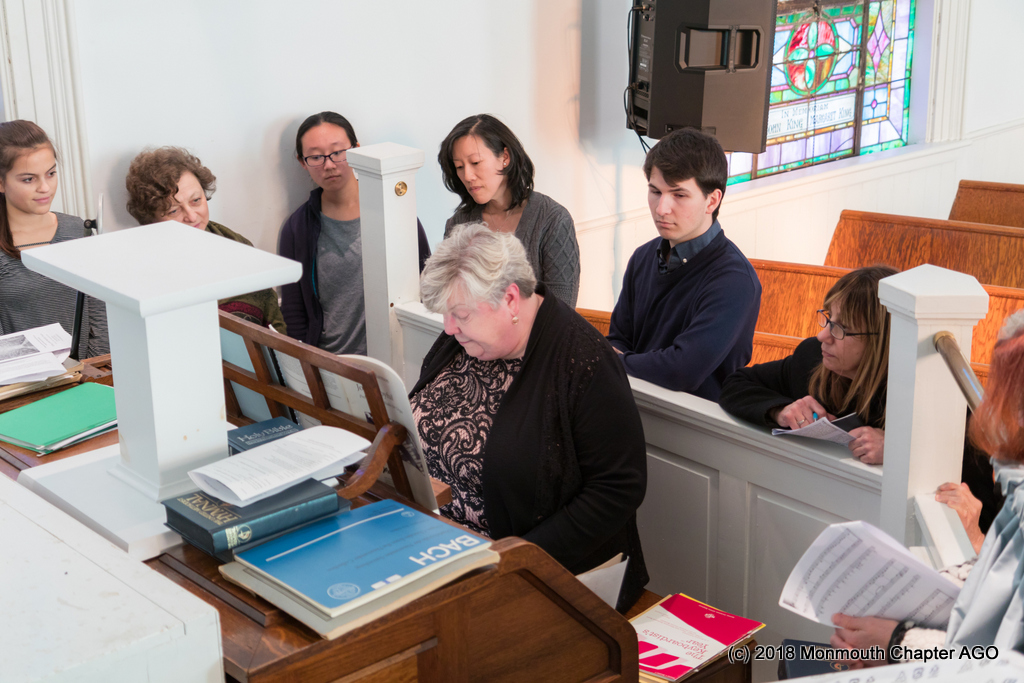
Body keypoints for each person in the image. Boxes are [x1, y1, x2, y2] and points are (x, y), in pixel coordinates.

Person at [409, 223, 647, 611]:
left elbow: (618, 489)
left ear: (511, 299)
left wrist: (514, 560)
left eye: (460, 314)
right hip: (440, 550)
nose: (449, 328)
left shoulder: (583, 360)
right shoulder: (464, 340)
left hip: (539, 576)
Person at [719, 266, 1001, 532]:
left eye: (840, 329)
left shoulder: (946, 401)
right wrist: (781, 410)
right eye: (828, 319)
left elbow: (981, 513)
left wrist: (901, 453)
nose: (822, 335)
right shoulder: (811, 357)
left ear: (882, 340)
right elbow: (736, 383)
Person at [829, 310, 1024, 662]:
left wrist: (896, 641)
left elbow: (1000, 660)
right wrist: (889, 613)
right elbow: (997, 586)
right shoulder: (1016, 489)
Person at [606, 127, 761, 400]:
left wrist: (612, 362)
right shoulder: (643, 256)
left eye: (679, 195)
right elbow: (619, 340)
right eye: (655, 191)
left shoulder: (734, 280)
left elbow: (682, 370)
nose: (661, 208)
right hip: (633, 401)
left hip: (695, 419)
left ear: (712, 200)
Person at [279, 111, 431, 352]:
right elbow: (293, 312)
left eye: (338, 152)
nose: (329, 165)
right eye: (316, 157)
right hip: (331, 361)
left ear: (357, 150)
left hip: (395, 357)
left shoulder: (394, 211)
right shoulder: (298, 228)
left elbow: (427, 285)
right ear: (302, 162)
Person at [125, 147, 285, 333]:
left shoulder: (236, 243)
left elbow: (274, 320)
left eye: (196, 201)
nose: (192, 217)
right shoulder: (145, 270)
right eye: (174, 210)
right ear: (151, 218)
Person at [438, 114, 580, 308]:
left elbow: (561, 312)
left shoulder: (553, 221)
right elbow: (447, 304)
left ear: (505, 157)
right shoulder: (458, 224)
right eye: (459, 167)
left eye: (476, 163)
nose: (468, 176)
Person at [0, 120, 108, 358]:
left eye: (50, 174)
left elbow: (101, 320)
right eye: (28, 179)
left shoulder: (78, 230)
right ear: (1, 182)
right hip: (20, 379)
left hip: (87, 375)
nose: (45, 187)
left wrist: (87, 372)